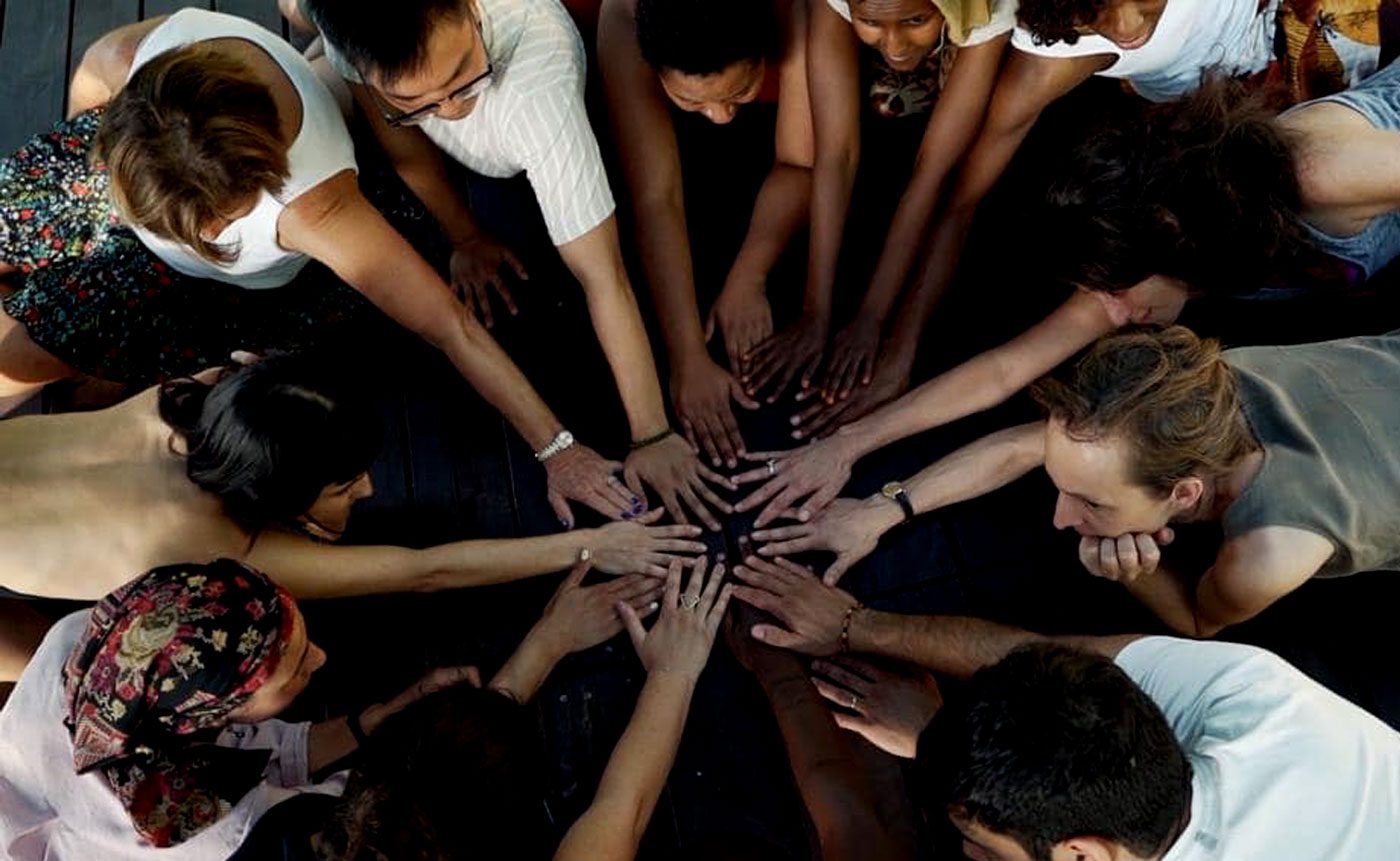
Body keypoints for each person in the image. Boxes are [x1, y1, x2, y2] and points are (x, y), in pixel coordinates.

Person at [2, 9, 652, 530]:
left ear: (261, 179)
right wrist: (94, 142)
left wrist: (556, 447)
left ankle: (90, 358)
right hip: (128, 176)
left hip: (219, 289)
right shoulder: (154, 58)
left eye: (217, 225)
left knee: (21, 357)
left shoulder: (317, 207)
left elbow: (451, 325)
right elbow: (95, 75)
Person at [770, 0, 1395, 444]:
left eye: (1114, 292)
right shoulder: (1155, 257)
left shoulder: (1317, 172)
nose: (1120, 313)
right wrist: (852, 437)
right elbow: (1006, 368)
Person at [0, 352, 704, 681]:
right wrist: (591, 543)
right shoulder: (205, 545)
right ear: (272, 501)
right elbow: (421, 572)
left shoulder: (212, 390)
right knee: (49, 664)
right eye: (344, 483)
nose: (368, 487)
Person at [293, 0, 730, 529]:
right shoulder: (353, 39)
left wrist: (652, 433)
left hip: (527, 134)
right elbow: (408, 152)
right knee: (297, 15)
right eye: (416, 100)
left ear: (472, 9)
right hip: (443, 141)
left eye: (460, 76)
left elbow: (603, 276)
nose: (451, 108)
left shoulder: (539, 94)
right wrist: (465, 237)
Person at [724, 559, 1400, 861]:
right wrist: (854, 626)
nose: (967, 851)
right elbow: (1055, 654)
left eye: (983, 847)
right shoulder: (1253, 693)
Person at [747, 327, 1400, 636]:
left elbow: (1201, 620)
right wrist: (886, 507)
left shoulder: (1270, 552)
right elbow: (1032, 446)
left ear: (1184, 494)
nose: (1061, 518)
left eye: (1091, 502)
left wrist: (1142, 575)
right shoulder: (1180, 393)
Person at [0, 560, 542, 856]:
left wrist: (393, 710)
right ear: (216, 711)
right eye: (298, 665)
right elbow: (273, 766)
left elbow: (259, 750)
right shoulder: (214, 830)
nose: (321, 658)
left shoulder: (87, 643)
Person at [240, 556, 730, 861]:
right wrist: (674, 672)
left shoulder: (289, 829)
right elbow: (623, 811)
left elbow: (442, 771)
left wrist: (549, 639)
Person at [744, 0, 1015, 416]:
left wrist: (872, 317)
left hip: (980, 50)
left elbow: (933, 173)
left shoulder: (987, 7)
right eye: (870, 22)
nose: (894, 43)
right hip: (902, 77)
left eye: (915, 20)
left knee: (970, 170)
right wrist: (816, 311)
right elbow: (837, 155)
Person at [596, 0, 811, 469]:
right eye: (692, 101)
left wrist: (748, 278)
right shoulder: (624, 16)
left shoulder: (793, 11)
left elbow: (800, 161)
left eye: (740, 91)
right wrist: (687, 355)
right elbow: (656, 196)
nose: (720, 116)